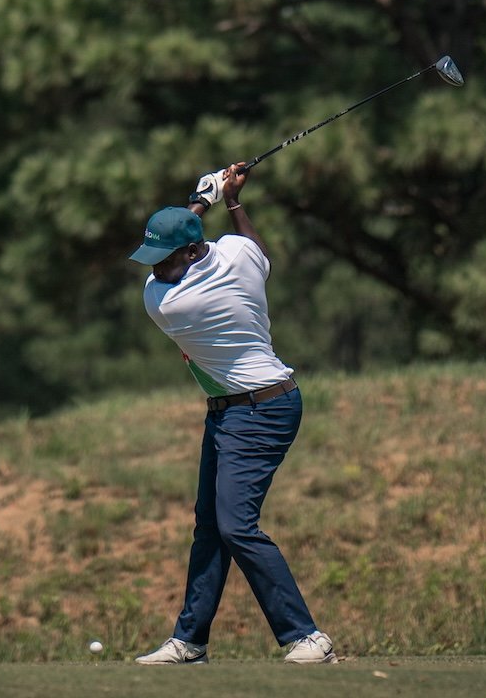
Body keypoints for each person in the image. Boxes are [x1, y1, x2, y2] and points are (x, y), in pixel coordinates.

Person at [128, 162, 336, 665]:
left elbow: (198, 228)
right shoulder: (237, 254)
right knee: (210, 525)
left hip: (261, 409)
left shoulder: (171, 302)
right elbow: (256, 250)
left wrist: (203, 196)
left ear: (193, 252)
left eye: (165, 259)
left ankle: (306, 637)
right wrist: (233, 201)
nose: (155, 270)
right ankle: (190, 640)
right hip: (233, 409)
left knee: (236, 524)